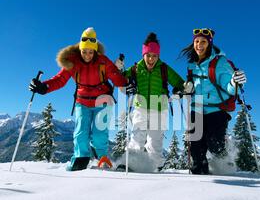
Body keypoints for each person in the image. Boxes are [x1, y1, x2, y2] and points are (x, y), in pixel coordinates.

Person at [29, 27, 128, 171]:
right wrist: (43, 87)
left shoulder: (103, 62)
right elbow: (60, 79)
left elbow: (116, 77)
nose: (87, 55)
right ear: (80, 49)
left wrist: (126, 84)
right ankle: (81, 158)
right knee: (81, 133)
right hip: (82, 102)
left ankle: (102, 158)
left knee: (99, 134)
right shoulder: (73, 62)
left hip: (103, 100)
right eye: (84, 51)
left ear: (95, 51)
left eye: (90, 51)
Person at [115, 32, 185, 171]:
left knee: (155, 140)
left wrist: (179, 91)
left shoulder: (164, 68)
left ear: (158, 56)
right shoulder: (136, 68)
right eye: (148, 55)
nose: (151, 59)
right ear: (143, 55)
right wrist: (118, 69)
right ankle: (130, 163)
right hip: (140, 106)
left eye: (154, 56)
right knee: (137, 135)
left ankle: (155, 166)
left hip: (159, 108)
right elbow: (121, 80)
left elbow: (180, 82)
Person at [181, 28, 246, 175]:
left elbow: (229, 87)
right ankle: (199, 182)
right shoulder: (192, 64)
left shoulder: (220, 62)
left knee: (215, 146)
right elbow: (191, 85)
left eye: (203, 42)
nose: (199, 45)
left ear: (209, 43)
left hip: (216, 111)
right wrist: (186, 88)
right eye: (196, 41)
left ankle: (225, 168)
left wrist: (235, 82)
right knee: (196, 151)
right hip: (196, 109)